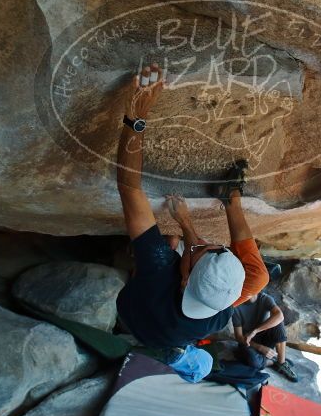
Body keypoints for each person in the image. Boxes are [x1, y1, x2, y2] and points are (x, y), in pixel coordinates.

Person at [114, 62, 270, 381]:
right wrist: (186, 229)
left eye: (200, 250)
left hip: (138, 304)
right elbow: (202, 265)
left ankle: (158, 251)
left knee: (166, 245)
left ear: (183, 279)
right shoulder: (217, 315)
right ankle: (231, 198)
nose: (208, 243)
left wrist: (137, 117)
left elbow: (129, 187)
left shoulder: (159, 271)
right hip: (172, 316)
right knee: (260, 279)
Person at [233, 291, 299, 382]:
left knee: (278, 322)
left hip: (264, 336)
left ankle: (281, 362)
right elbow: (239, 337)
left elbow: (279, 316)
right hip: (249, 343)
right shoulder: (236, 306)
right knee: (253, 360)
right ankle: (273, 362)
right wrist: (259, 347)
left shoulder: (265, 298)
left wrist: (255, 331)